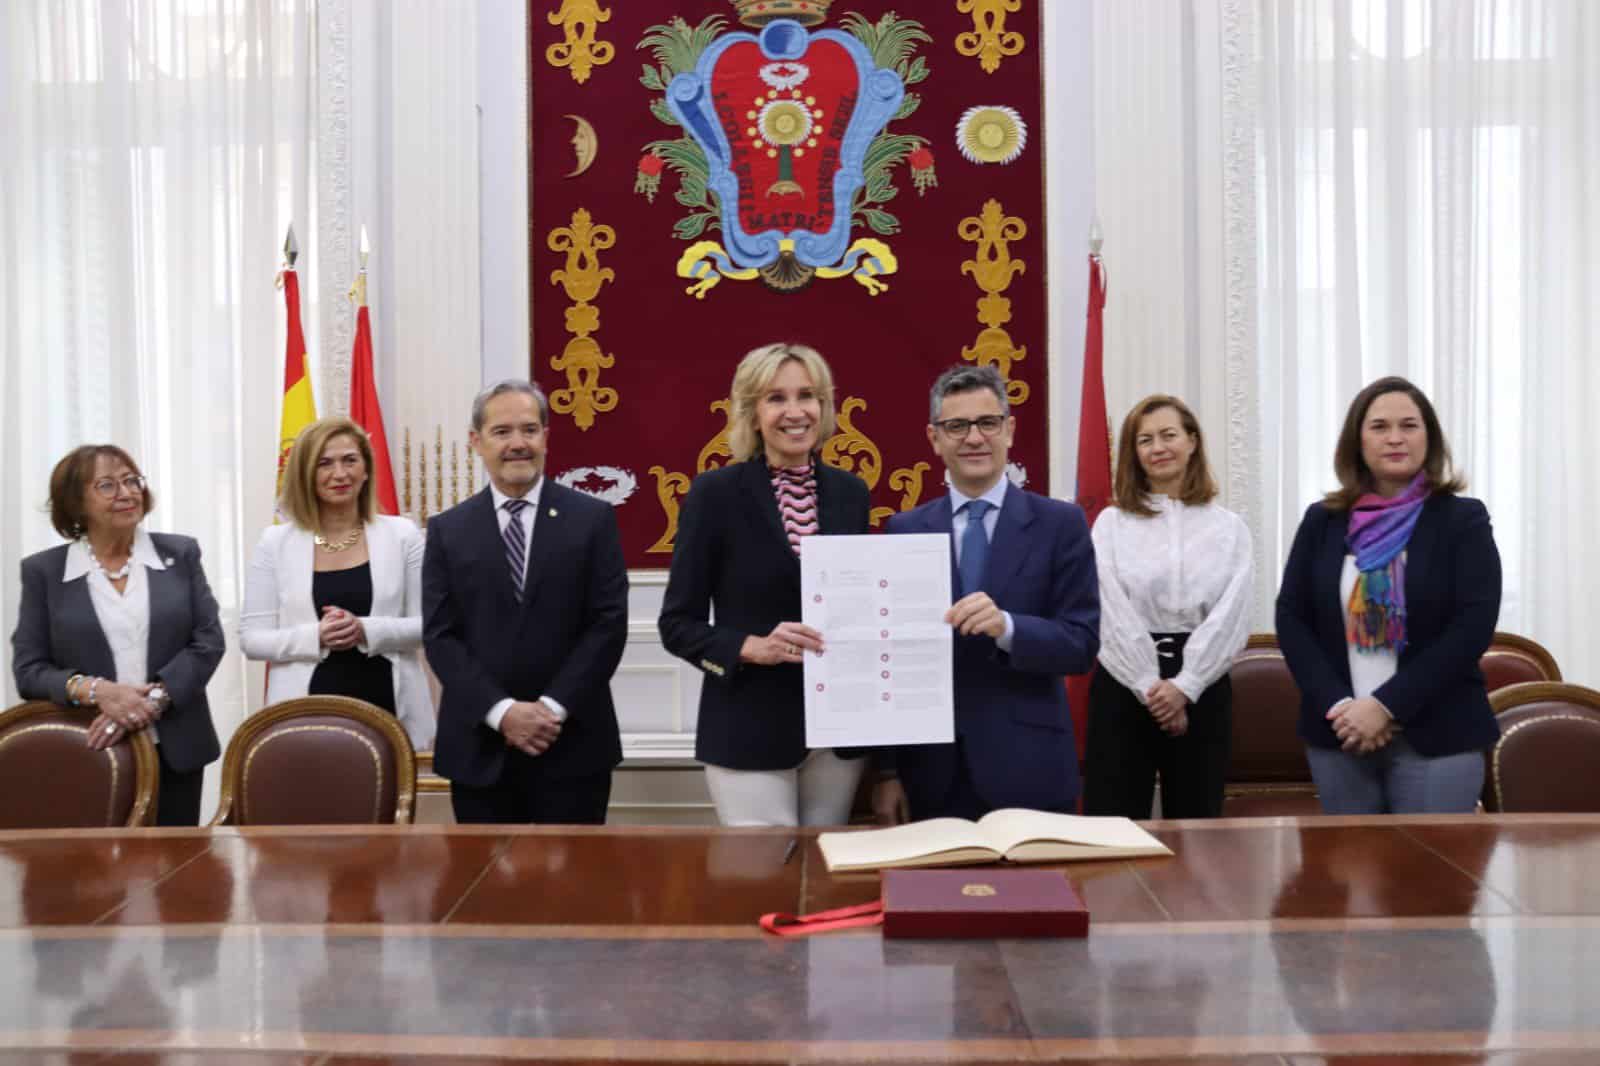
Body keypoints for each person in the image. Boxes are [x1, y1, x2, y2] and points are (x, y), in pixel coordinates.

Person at [873, 365, 1100, 823]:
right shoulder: (904, 530)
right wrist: (887, 772)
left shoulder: (1061, 525)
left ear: (1009, 430)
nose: (974, 438)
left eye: (987, 423)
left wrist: (1009, 628)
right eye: (957, 426)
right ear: (935, 438)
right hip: (931, 774)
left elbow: (1081, 644)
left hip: (1031, 768)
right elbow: (888, 653)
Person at [659, 342, 872, 826]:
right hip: (747, 727)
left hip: (839, 734)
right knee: (761, 871)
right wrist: (750, 647)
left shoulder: (851, 493)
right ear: (752, 414)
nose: (795, 412)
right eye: (776, 398)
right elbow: (676, 624)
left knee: (824, 869)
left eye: (807, 395)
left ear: (824, 406)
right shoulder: (714, 495)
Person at [1276, 376, 1501, 814]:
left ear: (1428, 438)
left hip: (1440, 735)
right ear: (1357, 441)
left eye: (1409, 425)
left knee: (1432, 862)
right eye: (1379, 426)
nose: (1395, 438)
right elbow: (1291, 618)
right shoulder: (1323, 521)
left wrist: (1384, 706)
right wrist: (1342, 707)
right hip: (1341, 736)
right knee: (1350, 861)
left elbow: (1472, 627)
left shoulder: (1462, 520)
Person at [423, 379, 628, 824]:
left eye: (530, 430)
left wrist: (549, 710)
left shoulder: (593, 519)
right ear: (476, 441)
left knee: (577, 872)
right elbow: (441, 637)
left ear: (546, 437)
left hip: (573, 745)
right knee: (486, 872)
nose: (518, 443)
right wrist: (503, 713)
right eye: (502, 432)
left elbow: (607, 626)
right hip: (480, 747)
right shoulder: (446, 530)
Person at [11, 445, 224, 825]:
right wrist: (99, 692)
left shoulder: (181, 553)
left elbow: (208, 641)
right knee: (94, 862)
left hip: (177, 746)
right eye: (107, 485)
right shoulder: (44, 572)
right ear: (76, 502)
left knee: (174, 858)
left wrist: (151, 702)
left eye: (131, 481)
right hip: (90, 747)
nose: (126, 493)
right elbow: (30, 670)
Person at [1084, 395, 1253, 819]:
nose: (1158, 447)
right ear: (1133, 453)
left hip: (1203, 684)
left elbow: (1232, 614)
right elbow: (1107, 607)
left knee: (1198, 825)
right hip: (1124, 679)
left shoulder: (1229, 529)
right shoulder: (1111, 524)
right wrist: (1148, 685)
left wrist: (1186, 685)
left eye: (1168, 435)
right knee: (1115, 821)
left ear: (1192, 441)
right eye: (1145, 440)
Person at [240, 416, 435, 751]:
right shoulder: (275, 542)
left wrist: (365, 630)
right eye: (325, 463)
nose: (340, 473)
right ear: (305, 473)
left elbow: (430, 625)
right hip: (303, 714)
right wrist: (317, 635)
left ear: (366, 469)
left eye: (350, 460)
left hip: (390, 708)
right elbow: (252, 639)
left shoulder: (403, 535)